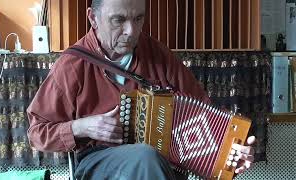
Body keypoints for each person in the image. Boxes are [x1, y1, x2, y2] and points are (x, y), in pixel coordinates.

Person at [27, 0, 255, 179]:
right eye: (119, 20)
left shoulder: (158, 55)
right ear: (93, 18)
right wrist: (80, 127)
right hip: (98, 165)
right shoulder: (72, 65)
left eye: (138, 19)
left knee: (150, 160)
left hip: (164, 166)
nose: (131, 30)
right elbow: (37, 133)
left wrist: (232, 152)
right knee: (145, 157)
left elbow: (205, 113)